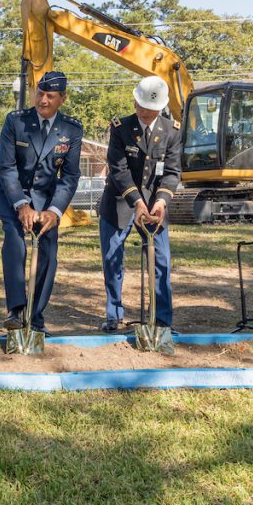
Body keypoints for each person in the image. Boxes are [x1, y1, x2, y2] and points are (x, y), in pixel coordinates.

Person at [0, 71, 82, 335]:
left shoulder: (72, 129)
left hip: (47, 197)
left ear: (62, 99)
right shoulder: (16, 121)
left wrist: (54, 211)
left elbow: (69, 176)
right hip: (12, 193)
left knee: (48, 251)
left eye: (50, 96)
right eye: (40, 94)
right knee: (15, 242)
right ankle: (17, 310)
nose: (43, 100)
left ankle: (35, 316)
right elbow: (6, 167)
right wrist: (22, 205)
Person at [98, 76, 183, 333]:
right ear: (135, 101)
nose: (144, 113)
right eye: (141, 107)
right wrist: (136, 202)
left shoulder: (172, 131)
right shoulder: (120, 127)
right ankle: (114, 314)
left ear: (161, 107)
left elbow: (172, 170)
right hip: (120, 201)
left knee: (161, 260)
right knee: (112, 259)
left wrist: (161, 201)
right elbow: (118, 168)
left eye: (150, 110)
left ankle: (162, 319)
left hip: (156, 205)